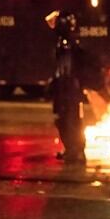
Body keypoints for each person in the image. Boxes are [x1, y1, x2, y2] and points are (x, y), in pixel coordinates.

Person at [46, 10, 86, 164]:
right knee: (73, 121)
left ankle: (73, 150)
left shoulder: (66, 45)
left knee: (67, 121)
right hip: (70, 90)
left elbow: (64, 70)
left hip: (67, 90)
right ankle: (75, 149)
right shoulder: (71, 43)